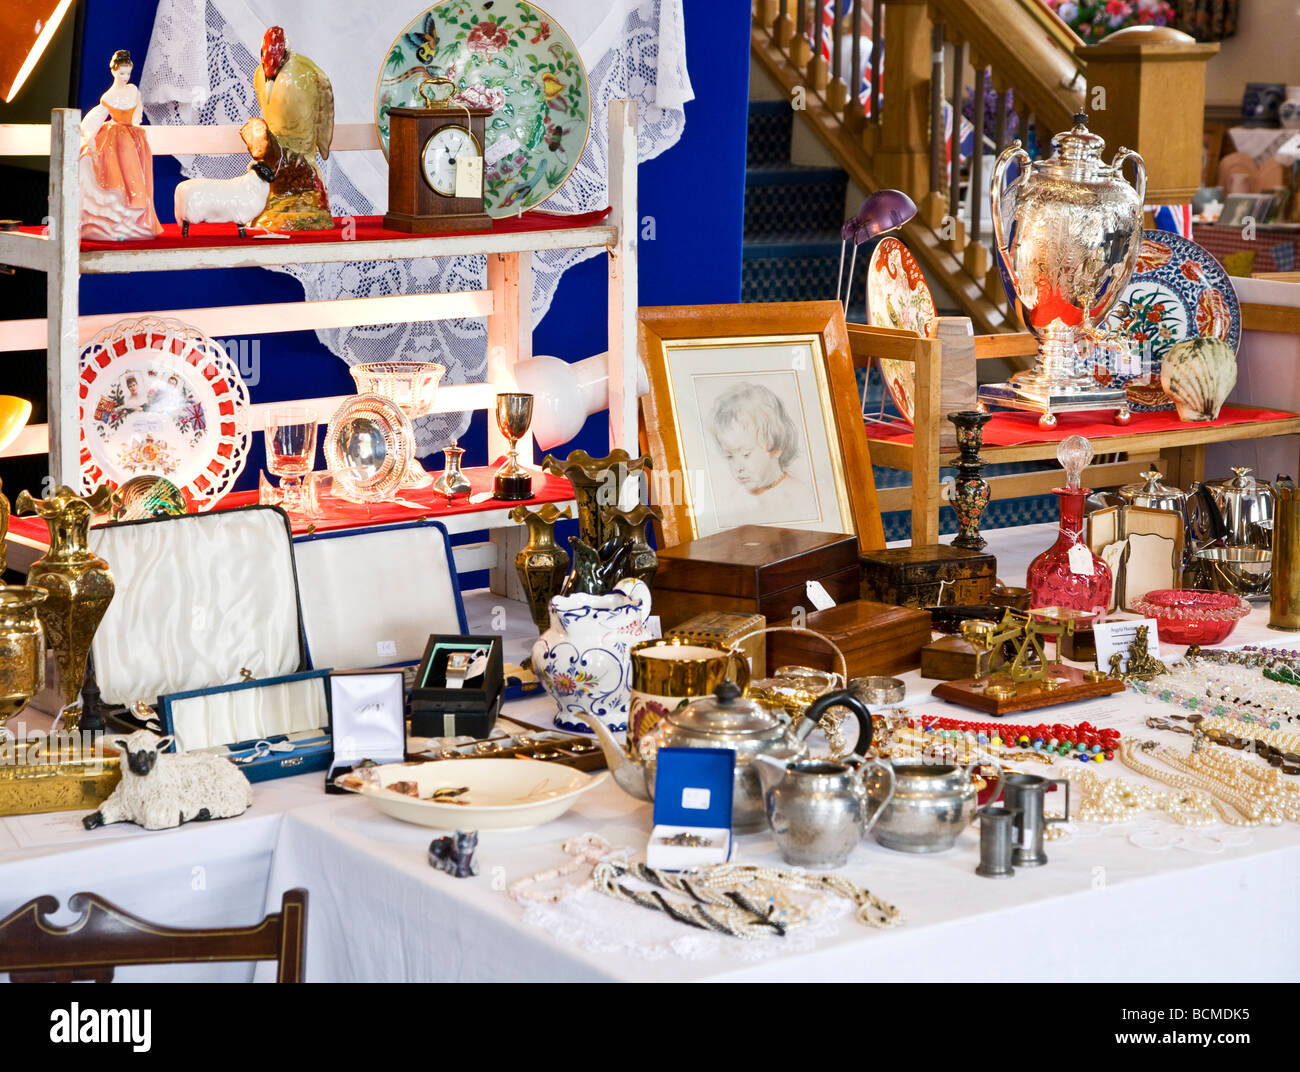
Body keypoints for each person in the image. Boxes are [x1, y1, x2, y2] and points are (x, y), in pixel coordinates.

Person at [78, 50, 163, 241]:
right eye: (122, 73)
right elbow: (96, 117)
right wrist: (90, 136)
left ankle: (138, 218)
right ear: (114, 71)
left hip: (133, 136)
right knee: (122, 172)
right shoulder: (108, 97)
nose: (125, 77)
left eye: (128, 73)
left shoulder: (133, 90)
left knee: (137, 174)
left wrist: (136, 123)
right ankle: (121, 211)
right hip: (117, 137)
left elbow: (137, 110)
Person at [708, 381, 814, 525]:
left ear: (775, 448)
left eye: (746, 454)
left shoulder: (800, 494)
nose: (737, 467)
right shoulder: (734, 503)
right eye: (729, 456)